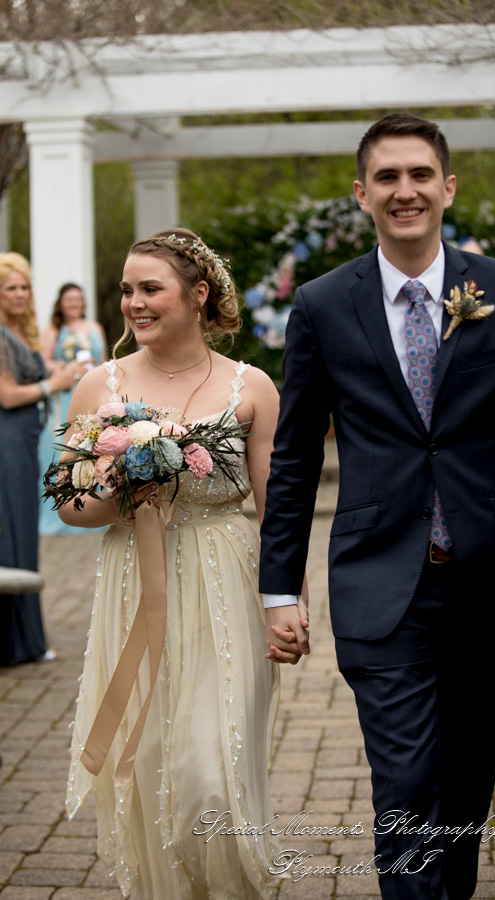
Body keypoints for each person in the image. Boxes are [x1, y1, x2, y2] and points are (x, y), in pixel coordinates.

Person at [259, 113, 495, 900]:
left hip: (490, 576)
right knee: (407, 780)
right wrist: (281, 588)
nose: (404, 190)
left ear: (448, 186)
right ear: (362, 194)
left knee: (472, 771)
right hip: (380, 581)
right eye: (387, 177)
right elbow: (298, 454)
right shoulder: (320, 303)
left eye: (419, 174)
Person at [61, 228, 281, 900]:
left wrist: (286, 604)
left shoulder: (254, 387)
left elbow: (278, 511)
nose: (134, 302)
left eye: (150, 288)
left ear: (199, 294)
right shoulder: (101, 384)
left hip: (224, 580)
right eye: (127, 290)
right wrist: (119, 480)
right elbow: (70, 504)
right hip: (134, 576)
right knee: (150, 760)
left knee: (212, 772)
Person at [0, 253, 85, 665]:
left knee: (22, 533)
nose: (19, 294)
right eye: (10, 287)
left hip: (23, 442)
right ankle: (12, 641)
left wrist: (59, 370)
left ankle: (26, 639)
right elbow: (6, 394)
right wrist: (55, 383)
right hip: (7, 442)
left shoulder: (17, 332)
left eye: (24, 286)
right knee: (10, 532)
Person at [39, 282, 107, 534]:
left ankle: (92, 506)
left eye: (78, 299)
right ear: (61, 303)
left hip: (91, 394)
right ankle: (57, 513)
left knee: (92, 446)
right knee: (63, 447)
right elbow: (43, 361)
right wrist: (63, 369)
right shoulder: (54, 330)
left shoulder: (94, 327)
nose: (74, 303)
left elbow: (103, 362)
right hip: (67, 395)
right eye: (69, 299)